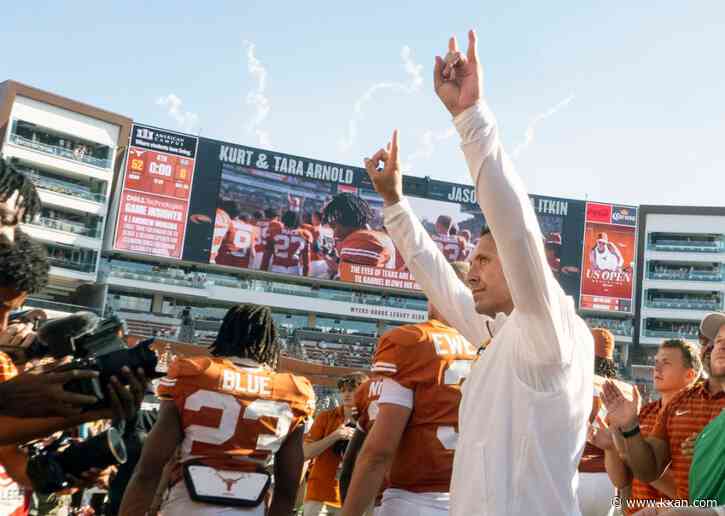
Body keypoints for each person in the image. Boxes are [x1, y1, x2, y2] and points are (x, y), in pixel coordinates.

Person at [364, 30, 593, 515]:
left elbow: (517, 228)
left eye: (485, 261)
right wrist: (394, 204)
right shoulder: (507, 332)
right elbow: (441, 284)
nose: (471, 271)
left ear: (523, 267)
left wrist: (471, 119)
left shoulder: (548, 334)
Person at [120, 304, 315, 516]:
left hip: (185, 506)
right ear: (271, 343)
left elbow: (148, 470)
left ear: (224, 333)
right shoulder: (293, 392)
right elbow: (287, 488)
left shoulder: (194, 376)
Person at [342, 261, 476, 516]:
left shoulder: (413, 341)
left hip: (414, 501)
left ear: (435, 292)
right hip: (476, 500)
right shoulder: (491, 345)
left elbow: (377, 454)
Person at [602, 312, 725, 505]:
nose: (718, 347)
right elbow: (646, 472)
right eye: (718, 340)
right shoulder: (679, 403)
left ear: (690, 373)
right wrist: (630, 427)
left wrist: (713, 446)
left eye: (666, 363)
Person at [590, 338, 702, 514]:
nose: (656, 369)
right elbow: (622, 481)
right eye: (656, 362)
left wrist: (632, 454)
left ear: (690, 375)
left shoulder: (698, 419)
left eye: (666, 363)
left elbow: (691, 494)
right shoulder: (645, 412)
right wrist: (611, 448)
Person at [303, 375, 364, 516]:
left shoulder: (368, 420)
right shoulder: (326, 416)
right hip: (319, 494)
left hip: (352, 498)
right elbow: (306, 453)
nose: (347, 394)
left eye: (352, 390)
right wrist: (335, 436)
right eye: (343, 390)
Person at [322, 193, 394, 278]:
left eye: (334, 226)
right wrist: (338, 260)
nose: (335, 235)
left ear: (347, 220)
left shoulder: (362, 240)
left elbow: (348, 284)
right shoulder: (377, 237)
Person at [261, 210, 313, 276]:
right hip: (294, 269)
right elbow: (306, 264)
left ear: (284, 219)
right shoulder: (304, 235)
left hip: (277, 268)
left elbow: (266, 258)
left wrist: (262, 274)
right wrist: (306, 279)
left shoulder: (274, 231)